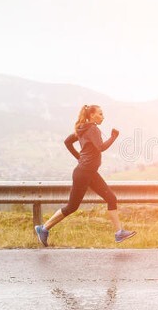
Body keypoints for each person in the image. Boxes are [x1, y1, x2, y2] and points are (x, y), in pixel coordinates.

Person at [34, 104, 135, 246]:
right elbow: (101, 147)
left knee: (111, 198)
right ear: (92, 115)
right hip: (84, 173)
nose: (103, 117)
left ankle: (119, 233)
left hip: (88, 172)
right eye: (100, 114)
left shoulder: (82, 128)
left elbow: (67, 142)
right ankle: (43, 229)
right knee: (72, 207)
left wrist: (79, 157)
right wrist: (113, 137)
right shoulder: (92, 128)